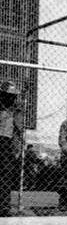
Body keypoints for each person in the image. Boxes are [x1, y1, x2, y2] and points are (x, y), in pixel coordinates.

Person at [0, 81, 24, 216]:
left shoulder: (15, 109)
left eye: (13, 96)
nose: (11, 98)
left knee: (6, 175)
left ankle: (3, 206)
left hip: (7, 142)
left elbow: (19, 129)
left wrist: (18, 148)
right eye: (8, 95)